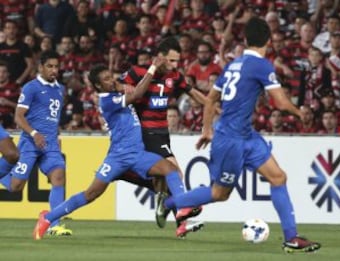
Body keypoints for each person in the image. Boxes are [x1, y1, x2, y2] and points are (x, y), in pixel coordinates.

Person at [158, 17, 321, 253]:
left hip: (246, 136)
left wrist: (206, 128)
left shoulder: (233, 65)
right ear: (268, 40)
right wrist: (299, 112)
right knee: (218, 194)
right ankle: (169, 203)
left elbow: (212, 98)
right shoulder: (262, 65)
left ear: (245, 40)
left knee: (278, 178)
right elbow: (281, 102)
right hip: (230, 140)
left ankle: (292, 238)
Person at [33, 58, 201, 240]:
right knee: (91, 194)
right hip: (118, 157)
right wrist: (152, 68)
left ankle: (182, 209)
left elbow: (128, 86)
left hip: (137, 154)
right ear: (97, 85)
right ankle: (48, 217)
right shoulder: (107, 101)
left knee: (170, 170)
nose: (111, 80)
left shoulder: (114, 92)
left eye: (110, 77)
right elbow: (136, 95)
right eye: (105, 79)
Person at [121, 37, 206, 236]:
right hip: (146, 131)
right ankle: (177, 216)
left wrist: (213, 105)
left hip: (163, 133)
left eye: (178, 61)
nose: (176, 65)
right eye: (172, 61)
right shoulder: (138, 71)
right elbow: (118, 88)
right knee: (175, 174)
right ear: (160, 58)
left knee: (163, 177)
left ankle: (164, 203)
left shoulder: (175, 76)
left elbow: (194, 93)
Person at [0, 50, 72, 236]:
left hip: (50, 145)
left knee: (58, 176)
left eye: (56, 66)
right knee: (16, 187)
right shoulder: (30, 87)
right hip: (30, 143)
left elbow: (53, 117)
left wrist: (56, 136)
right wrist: (34, 133)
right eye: (50, 66)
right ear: (40, 67)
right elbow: (18, 116)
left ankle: (54, 224)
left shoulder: (60, 89)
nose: (54, 70)